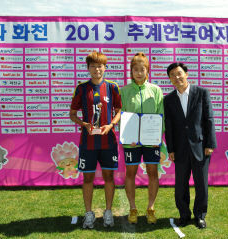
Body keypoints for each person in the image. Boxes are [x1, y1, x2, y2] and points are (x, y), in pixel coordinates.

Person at [70, 51, 122, 229]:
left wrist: (111, 125)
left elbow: (119, 110)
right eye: (93, 66)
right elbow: (72, 113)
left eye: (100, 66)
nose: (96, 69)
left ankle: (108, 212)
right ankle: (88, 214)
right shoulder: (82, 88)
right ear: (88, 68)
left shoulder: (113, 87)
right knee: (87, 179)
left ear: (105, 68)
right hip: (88, 142)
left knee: (109, 177)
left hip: (109, 142)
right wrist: (84, 123)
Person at [163, 62, 217, 229]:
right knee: (180, 185)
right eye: (173, 75)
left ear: (186, 74)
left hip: (201, 147)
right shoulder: (168, 99)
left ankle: (200, 216)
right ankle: (184, 215)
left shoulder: (202, 93)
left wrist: (210, 144)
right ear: (170, 79)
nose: (177, 77)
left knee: (201, 184)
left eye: (179, 73)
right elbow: (169, 125)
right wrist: (170, 149)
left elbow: (209, 119)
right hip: (179, 149)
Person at [120, 52, 164, 224]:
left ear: (147, 71)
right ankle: (132, 208)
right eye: (135, 69)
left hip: (151, 141)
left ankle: (150, 208)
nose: (139, 73)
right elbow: (120, 115)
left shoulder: (156, 90)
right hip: (131, 142)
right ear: (131, 71)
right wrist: (126, 134)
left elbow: (161, 115)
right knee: (131, 172)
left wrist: (156, 137)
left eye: (142, 69)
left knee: (153, 173)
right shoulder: (123, 91)